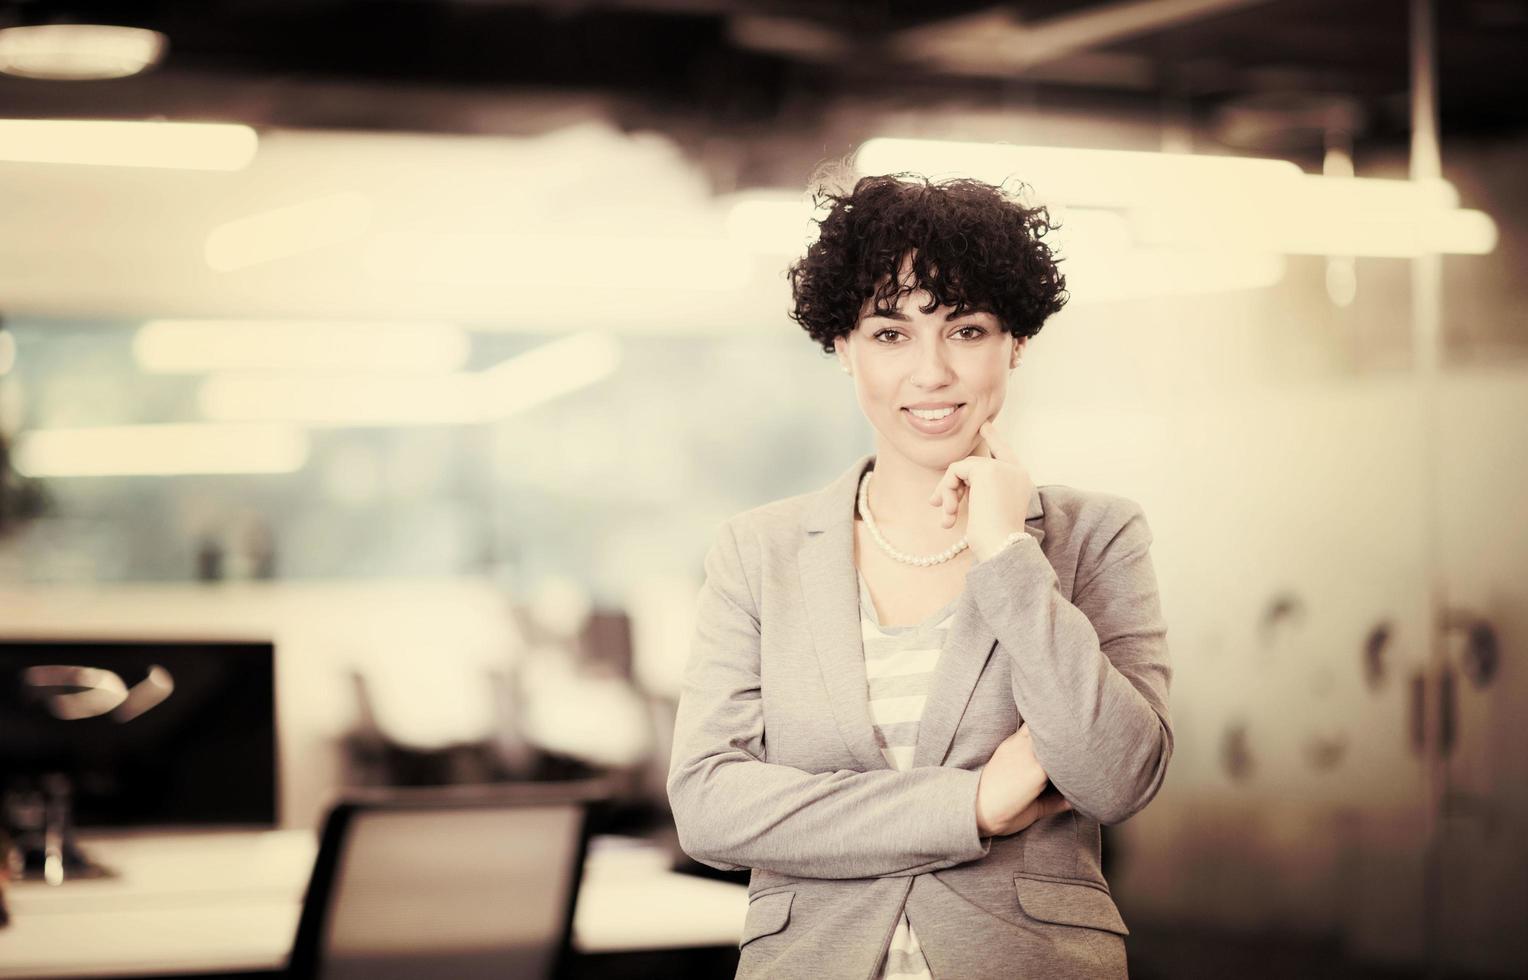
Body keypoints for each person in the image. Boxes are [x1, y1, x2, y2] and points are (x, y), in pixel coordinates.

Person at [667, 172, 1172, 979]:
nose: (931, 371)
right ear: (842, 346)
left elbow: (1113, 776)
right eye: (891, 333)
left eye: (966, 330)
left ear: (1017, 341)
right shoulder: (758, 552)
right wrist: (968, 805)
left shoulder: (1093, 537)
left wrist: (1008, 552)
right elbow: (709, 805)